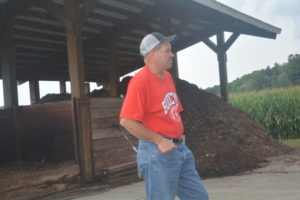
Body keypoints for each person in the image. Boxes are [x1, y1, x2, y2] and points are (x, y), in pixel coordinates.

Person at [119, 32, 209, 200]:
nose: (172, 54)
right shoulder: (140, 81)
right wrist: (160, 140)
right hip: (158, 152)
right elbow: (126, 121)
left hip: (179, 149)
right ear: (153, 53)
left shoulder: (167, 77)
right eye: (167, 50)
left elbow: (172, 111)